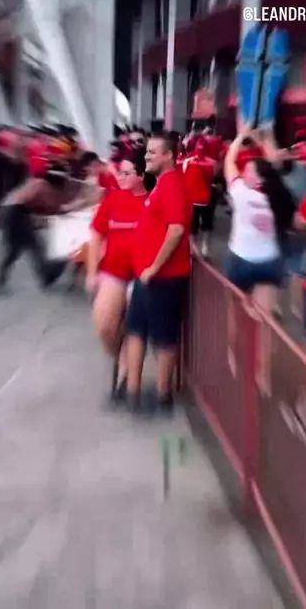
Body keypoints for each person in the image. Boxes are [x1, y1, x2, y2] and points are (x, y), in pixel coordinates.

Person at [124, 131, 192, 414]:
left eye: (153, 152)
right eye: (147, 151)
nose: (147, 156)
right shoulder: (162, 184)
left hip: (164, 278)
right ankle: (133, 391)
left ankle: (163, 396)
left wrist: (153, 268)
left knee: (164, 337)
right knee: (136, 329)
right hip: (148, 277)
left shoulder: (172, 184)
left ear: (169, 155)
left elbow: (175, 230)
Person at [86, 151, 148, 402]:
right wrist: (92, 272)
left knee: (134, 325)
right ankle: (120, 353)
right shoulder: (112, 199)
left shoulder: (153, 201)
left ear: (141, 175)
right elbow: (96, 235)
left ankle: (126, 366)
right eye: (119, 172)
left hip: (142, 274)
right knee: (104, 324)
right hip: (113, 271)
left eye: (126, 173)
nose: (119, 177)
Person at [223, 121, 295, 312]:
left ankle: (242, 324)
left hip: (240, 260)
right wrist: (259, 140)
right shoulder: (278, 197)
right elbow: (273, 165)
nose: (244, 173)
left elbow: (229, 161)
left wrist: (241, 136)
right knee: (264, 317)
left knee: (235, 309)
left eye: (248, 171)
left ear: (259, 179)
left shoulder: (240, 192)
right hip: (269, 261)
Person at [0, 162, 72, 296]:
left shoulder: (37, 182)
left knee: (14, 251)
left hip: (9, 212)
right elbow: (51, 207)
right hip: (16, 213)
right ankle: (46, 276)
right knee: (35, 246)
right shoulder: (43, 186)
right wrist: (68, 210)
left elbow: (40, 207)